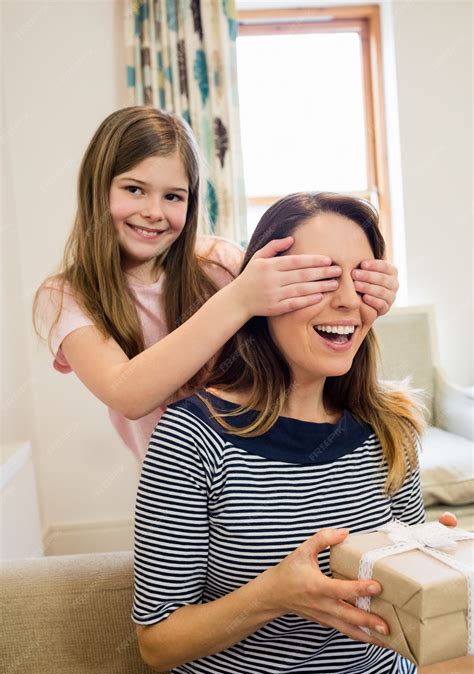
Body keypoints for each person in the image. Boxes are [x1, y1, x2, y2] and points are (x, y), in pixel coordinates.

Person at [132, 192, 453, 674]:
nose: (348, 300)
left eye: (362, 277)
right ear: (263, 294)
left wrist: (440, 569)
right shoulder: (192, 437)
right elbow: (157, 644)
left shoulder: (392, 426)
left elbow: (403, 594)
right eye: (321, 278)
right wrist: (273, 595)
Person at [33, 107, 400, 462]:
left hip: (252, 462)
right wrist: (238, 299)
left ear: (191, 202)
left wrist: (363, 294)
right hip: (175, 477)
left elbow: (293, 326)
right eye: (134, 189)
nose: (154, 211)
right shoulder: (67, 296)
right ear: (96, 188)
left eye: (173, 196)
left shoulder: (217, 261)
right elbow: (127, 394)